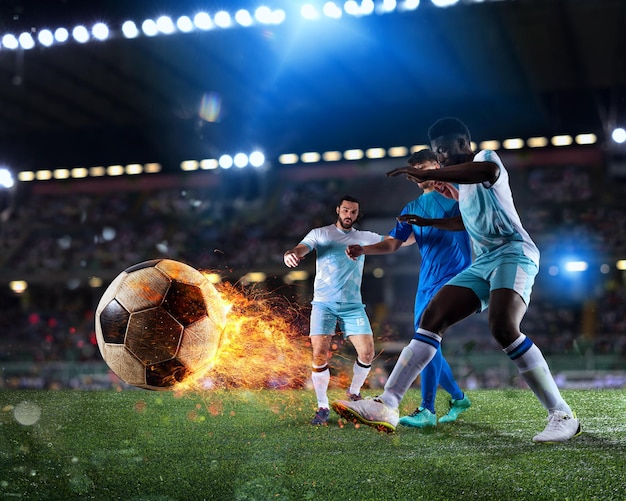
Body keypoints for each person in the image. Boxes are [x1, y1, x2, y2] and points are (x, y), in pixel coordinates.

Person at [332, 117, 581, 443]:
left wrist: (430, 173)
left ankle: (562, 414)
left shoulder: (486, 160)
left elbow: (485, 174)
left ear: (464, 144)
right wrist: (427, 219)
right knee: (431, 318)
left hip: (513, 252)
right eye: (438, 151)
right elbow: (463, 224)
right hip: (484, 261)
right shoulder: (461, 190)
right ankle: (388, 403)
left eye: (445, 149)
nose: (443, 156)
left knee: (503, 326)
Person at [344, 148, 472, 428]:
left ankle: (427, 409)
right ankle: (458, 398)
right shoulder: (411, 209)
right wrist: (363, 249)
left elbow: (471, 219)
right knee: (426, 344)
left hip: (457, 277)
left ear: (438, 166)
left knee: (427, 340)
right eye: (415, 171)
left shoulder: (458, 194)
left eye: (425, 167)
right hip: (426, 281)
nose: (420, 175)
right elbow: (393, 243)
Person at [284, 195, 384, 426]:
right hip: (323, 303)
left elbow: (394, 242)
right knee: (319, 354)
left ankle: (354, 393)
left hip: (353, 305)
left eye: (354, 212)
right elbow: (301, 248)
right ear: (338, 210)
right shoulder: (320, 233)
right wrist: (292, 254)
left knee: (367, 353)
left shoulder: (364, 237)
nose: (349, 215)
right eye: (346, 210)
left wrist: (419, 229)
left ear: (357, 214)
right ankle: (322, 406)